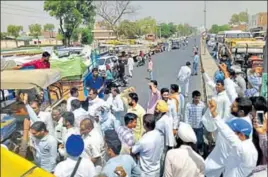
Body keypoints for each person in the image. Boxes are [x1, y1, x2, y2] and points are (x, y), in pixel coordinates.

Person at [205, 97, 253, 177]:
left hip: (223, 161)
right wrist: (213, 111)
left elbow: (224, 130)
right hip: (219, 157)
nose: (230, 106)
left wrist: (214, 112)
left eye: (233, 106)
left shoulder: (244, 125)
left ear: (241, 112)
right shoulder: (236, 116)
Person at [154, 100, 175, 176]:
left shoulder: (166, 120)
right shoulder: (159, 117)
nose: (155, 110)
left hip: (163, 147)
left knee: (162, 163)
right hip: (157, 145)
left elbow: (169, 134)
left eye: (157, 109)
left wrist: (169, 149)